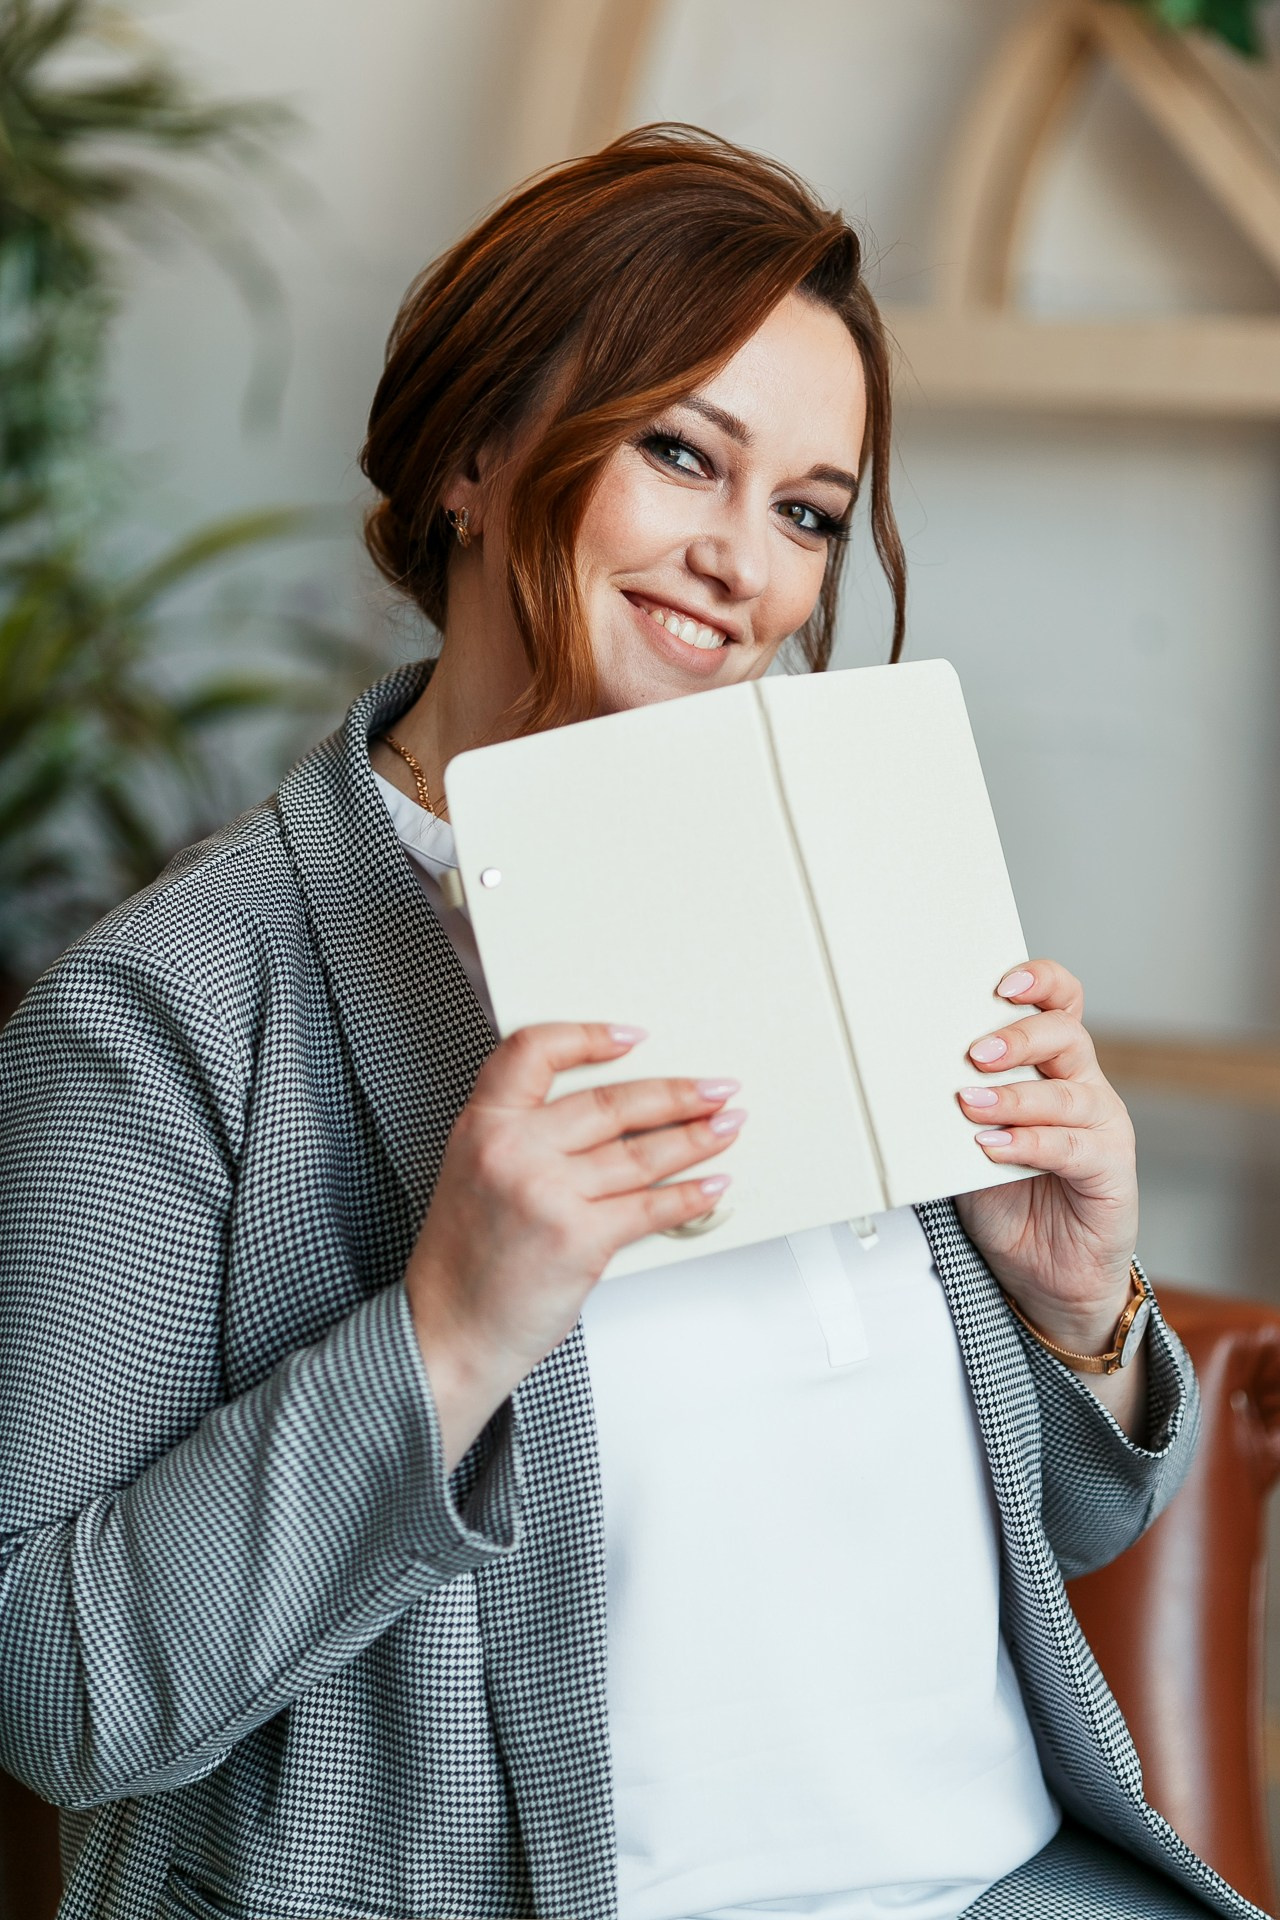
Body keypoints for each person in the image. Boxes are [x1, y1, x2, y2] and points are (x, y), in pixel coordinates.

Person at [0, 125, 1258, 1920]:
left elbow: (1053, 1529)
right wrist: (449, 1329)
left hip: (1014, 1889)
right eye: (683, 454)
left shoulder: (846, 887)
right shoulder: (166, 1013)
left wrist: (1082, 1317)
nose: (746, 563)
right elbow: (55, 1694)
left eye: (808, 512)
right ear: (471, 456)